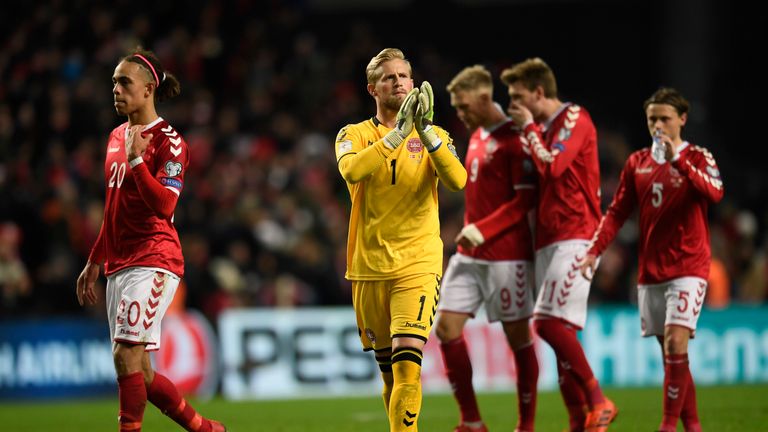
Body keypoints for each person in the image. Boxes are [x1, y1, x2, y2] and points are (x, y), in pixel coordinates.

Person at [75, 48, 226, 432]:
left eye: (124, 82)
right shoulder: (115, 137)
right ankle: (205, 429)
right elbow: (112, 210)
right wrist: (94, 261)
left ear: (147, 90)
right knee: (138, 371)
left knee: (126, 355)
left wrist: (138, 161)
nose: (116, 89)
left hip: (155, 257)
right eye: (113, 82)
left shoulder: (171, 142)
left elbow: (165, 204)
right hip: (118, 262)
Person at [334, 48, 467, 432]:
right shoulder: (353, 134)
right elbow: (353, 170)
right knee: (390, 375)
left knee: (408, 366)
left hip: (417, 263)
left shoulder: (436, 136)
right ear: (372, 88)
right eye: (389, 77)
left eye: (404, 76)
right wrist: (396, 135)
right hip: (368, 267)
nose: (399, 82)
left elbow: (458, 181)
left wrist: (423, 132)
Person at [580, 87, 723, 432]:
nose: (658, 125)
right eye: (652, 119)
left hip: (689, 267)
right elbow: (616, 213)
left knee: (676, 342)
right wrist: (594, 251)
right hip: (652, 271)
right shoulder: (637, 163)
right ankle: (693, 424)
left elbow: (714, 193)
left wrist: (679, 161)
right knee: (671, 355)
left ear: (682, 120)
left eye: (665, 118)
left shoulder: (699, 157)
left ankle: (667, 426)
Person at [503, 58, 616, 432]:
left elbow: (553, 167)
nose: (513, 105)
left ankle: (598, 400)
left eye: (518, 97)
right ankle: (579, 422)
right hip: (549, 241)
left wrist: (529, 129)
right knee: (563, 338)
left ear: (539, 92)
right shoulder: (541, 128)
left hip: (578, 236)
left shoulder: (573, 119)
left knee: (548, 325)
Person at [435, 65, 538, 432]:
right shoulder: (477, 135)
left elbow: (524, 202)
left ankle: (525, 425)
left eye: (463, 106)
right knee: (446, 328)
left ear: (483, 97)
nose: (459, 114)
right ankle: (472, 421)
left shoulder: (516, 138)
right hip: (470, 253)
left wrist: (485, 229)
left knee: (518, 339)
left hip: (507, 255)